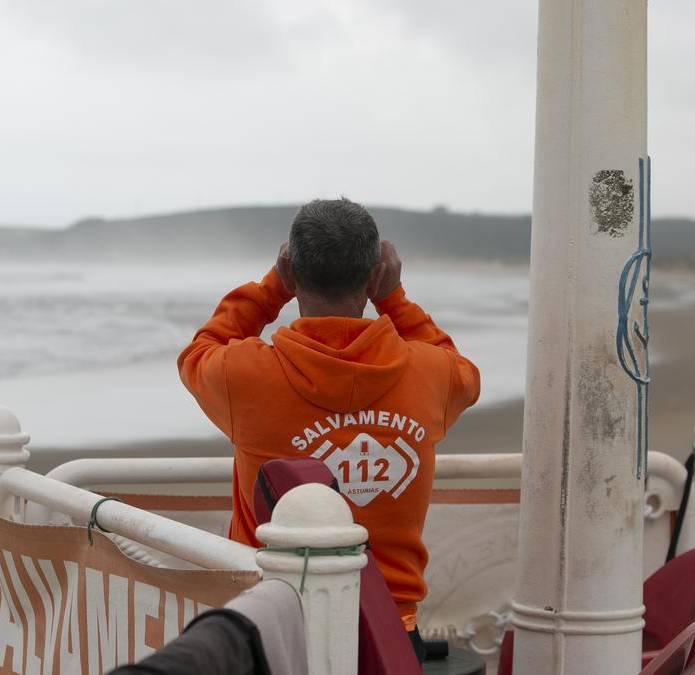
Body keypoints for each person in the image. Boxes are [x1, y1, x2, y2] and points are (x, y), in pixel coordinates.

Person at [177, 197, 480, 651]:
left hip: (274, 622)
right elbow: (462, 370)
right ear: (374, 273)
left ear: (294, 273)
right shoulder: (432, 373)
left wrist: (271, 288)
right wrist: (393, 298)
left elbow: (199, 350)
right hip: (389, 630)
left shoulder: (244, 376)